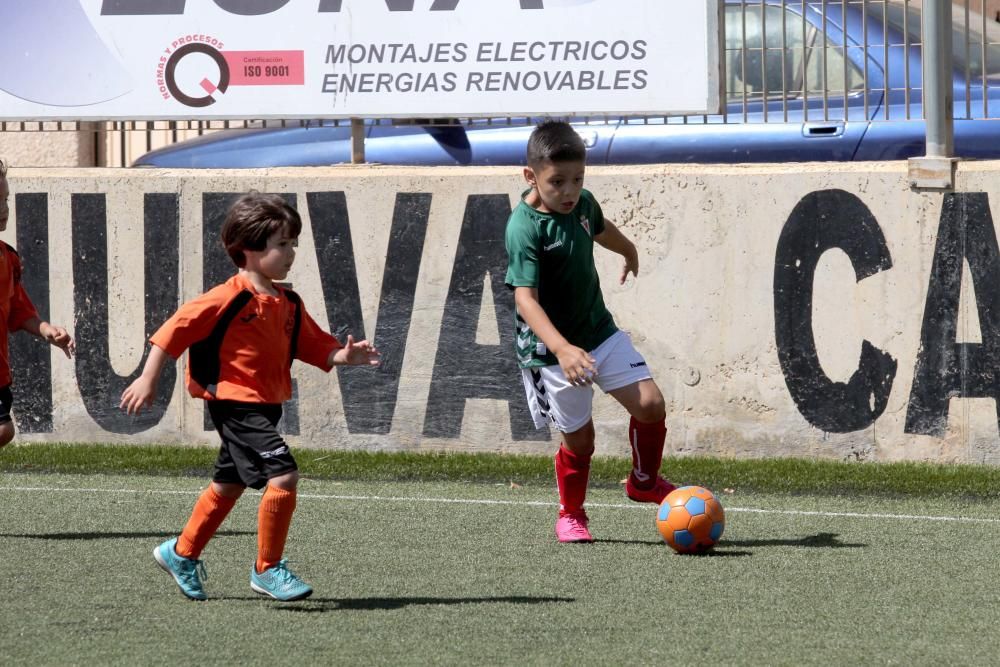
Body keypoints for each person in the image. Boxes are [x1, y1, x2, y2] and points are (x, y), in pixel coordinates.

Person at [121, 191, 379, 601]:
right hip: (234, 404)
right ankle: (268, 569)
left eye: (294, 242)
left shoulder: (288, 300)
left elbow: (313, 345)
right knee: (284, 474)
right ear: (248, 250)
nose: (291, 251)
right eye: (282, 244)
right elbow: (173, 331)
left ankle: (181, 552)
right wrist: (147, 378)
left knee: (229, 485)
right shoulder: (227, 297)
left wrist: (344, 355)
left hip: (268, 405)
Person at [504, 121, 674, 543]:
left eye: (577, 180)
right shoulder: (524, 227)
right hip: (551, 351)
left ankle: (644, 481)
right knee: (581, 440)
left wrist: (628, 249)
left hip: (598, 330)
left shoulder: (582, 204)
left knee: (650, 403)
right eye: (556, 182)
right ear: (531, 177)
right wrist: (561, 349)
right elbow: (525, 299)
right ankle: (572, 513)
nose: (568, 191)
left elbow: (600, 227)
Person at [0, 159, 75, 448]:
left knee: (4, 430)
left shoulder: (8, 258)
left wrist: (45, 329)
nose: (4, 207)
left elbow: (18, 307)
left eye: (5, 199)